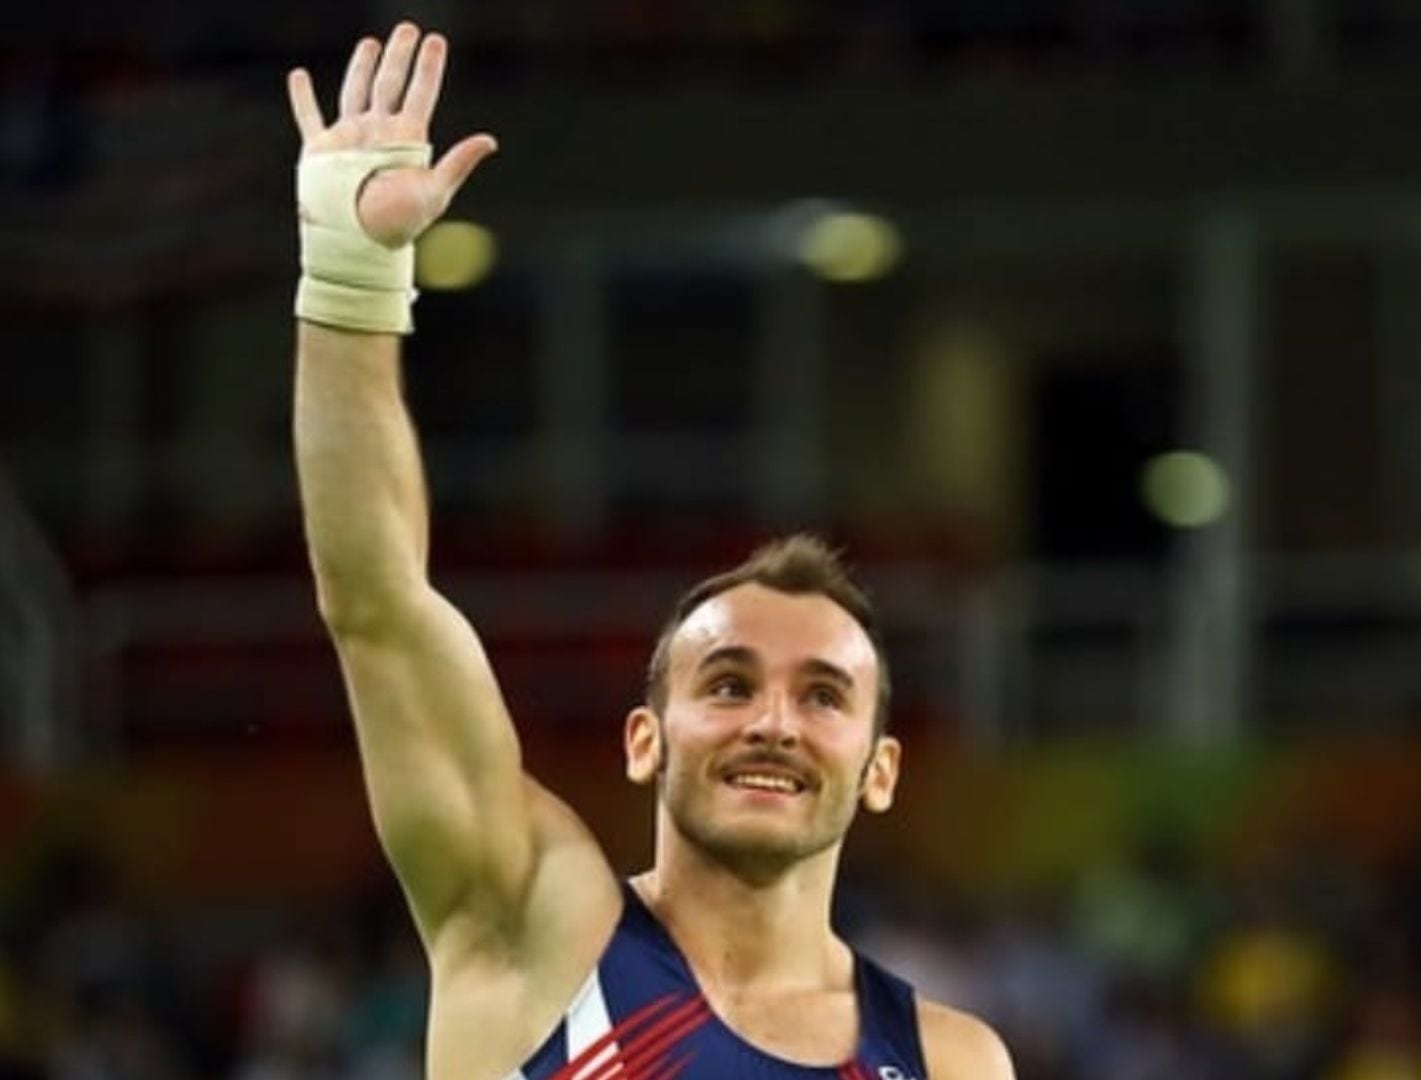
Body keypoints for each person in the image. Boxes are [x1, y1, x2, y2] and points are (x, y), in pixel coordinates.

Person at [285, 21, 1016, 1079]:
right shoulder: (531, 930)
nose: (773, 722)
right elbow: (378, 605)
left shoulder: (952, 1061)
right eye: (728, 684)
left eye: (823, 695)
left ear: (880, 768)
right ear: (645, 740)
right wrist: (351, 275)